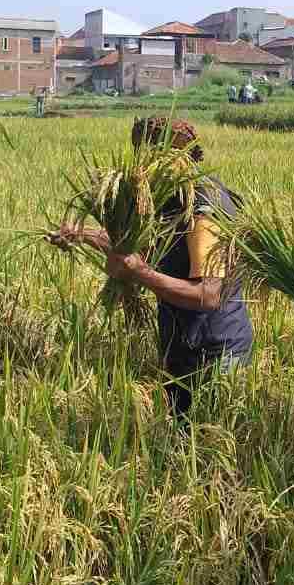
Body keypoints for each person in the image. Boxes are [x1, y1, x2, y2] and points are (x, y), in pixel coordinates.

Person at [52, 116, 252, 417]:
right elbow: (142, 246)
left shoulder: (203, 205)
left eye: (148, 154)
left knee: (202, 446)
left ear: (172, 155)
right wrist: (81, 235)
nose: (139, 165)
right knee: (177, 438)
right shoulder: (167, 197)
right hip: (182, 345)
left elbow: (210, 295)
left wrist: (139, 274)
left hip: (216, 353)